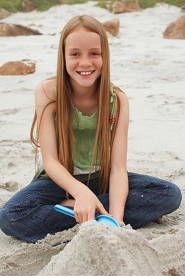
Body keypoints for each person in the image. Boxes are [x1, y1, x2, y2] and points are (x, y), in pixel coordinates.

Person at [0, 15, 182, 243]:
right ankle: (85, 207)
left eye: (94, 53)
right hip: (59, 181)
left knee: (169, 195)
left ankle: (82, 212)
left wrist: (116, 222)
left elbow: (117, 169)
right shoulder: (48, 92)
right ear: (63, 57)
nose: (85, 63)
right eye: (75, 54)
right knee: (11, 217)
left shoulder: (118, 100)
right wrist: (81, 193)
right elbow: (51, 162)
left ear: (104, 56)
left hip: (102, 177)